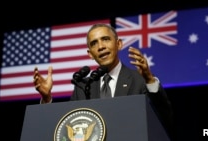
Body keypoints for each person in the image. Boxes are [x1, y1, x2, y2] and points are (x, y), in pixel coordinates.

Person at [33, 23, 174, 140]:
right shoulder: (83, 86)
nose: (101, 46)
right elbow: (68, 126)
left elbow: (164, 118)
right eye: (94, 43)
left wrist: (149, 79)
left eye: (105, 39)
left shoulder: (139, 80)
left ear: (118, 44)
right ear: (90, 54)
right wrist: (46, 99)